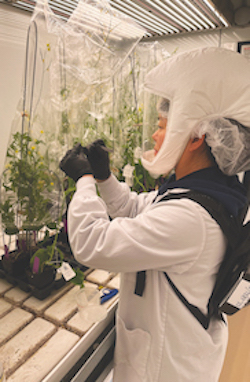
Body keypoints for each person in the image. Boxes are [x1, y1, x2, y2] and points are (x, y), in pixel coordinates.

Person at [59, 47, 250, 382]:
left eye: (162, 125)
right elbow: (135, 208)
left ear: (195, 137)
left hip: (166, 367)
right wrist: (105, 178)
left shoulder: (191, 218)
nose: (155, 134)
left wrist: (84, 181)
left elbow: (93, 243)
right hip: (173, 350)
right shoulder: (206, 191)